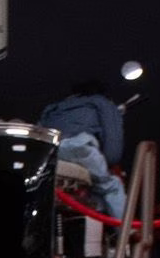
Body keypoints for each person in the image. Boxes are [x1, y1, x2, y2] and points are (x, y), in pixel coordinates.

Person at [39, 79, 127, 219]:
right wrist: (109, 162)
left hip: (48, 152)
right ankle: (128, 234)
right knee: (111, 186)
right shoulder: (102, 103)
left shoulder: (54, 108)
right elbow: (113, 140)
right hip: (78, 147)